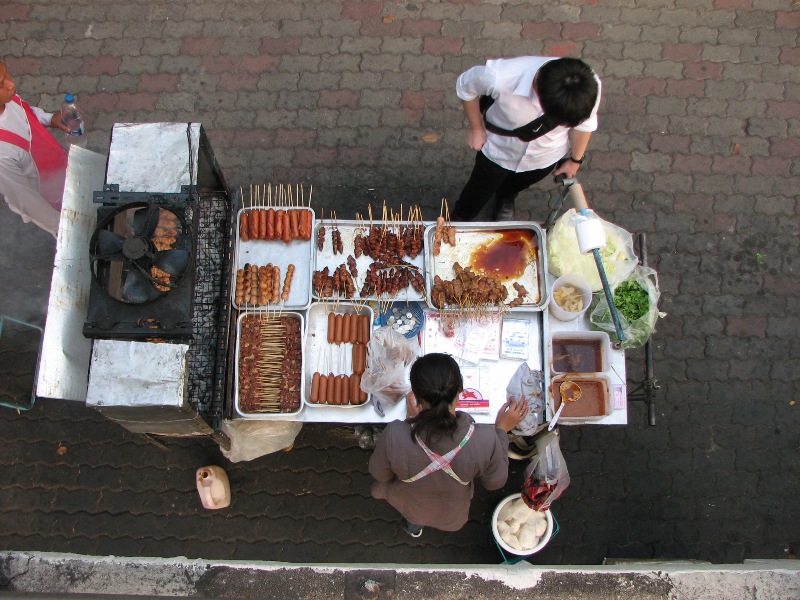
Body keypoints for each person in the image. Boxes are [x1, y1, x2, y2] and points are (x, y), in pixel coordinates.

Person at [369, 353, 529, 537]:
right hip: (452, 514)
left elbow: (379, 473)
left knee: (414, 518)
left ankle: (414, 528)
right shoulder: (487, 439)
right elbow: (495, 482)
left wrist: (412, 420)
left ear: (416, 397)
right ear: (460, 390)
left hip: (412, 505)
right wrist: (501, 430)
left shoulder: (394, 435)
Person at [451, 56, 601, 222]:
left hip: (544, 157)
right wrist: (476, 129)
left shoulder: (586, 86)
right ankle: (461, 217)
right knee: (478, 190)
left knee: (515, 185)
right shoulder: (498, 76)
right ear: (537, 87)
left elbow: (585, 125)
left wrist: (575, 160)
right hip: (497, 152)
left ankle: (505, 198)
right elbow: (465, 88)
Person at [0, 60, 69, 238]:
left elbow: (26, 111)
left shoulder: (7, 100)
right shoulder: (2, 154)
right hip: (46, 199)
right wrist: (63, 227)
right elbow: (25, 200)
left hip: (60, 173)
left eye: (6, 74)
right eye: (1, 84)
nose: (11, 84)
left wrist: (49, 119)